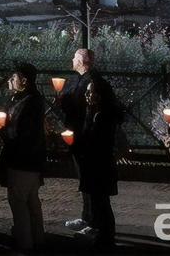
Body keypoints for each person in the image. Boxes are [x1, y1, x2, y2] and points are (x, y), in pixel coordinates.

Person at [0, 62, 47, 253]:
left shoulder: (24, 103)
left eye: (13, 77)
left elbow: (18, 133)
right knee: (32, 201)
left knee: (18, 201)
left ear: (24, 81)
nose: (10, 80)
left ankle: (24, 241)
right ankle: (37, 238)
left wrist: (1, 130)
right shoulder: (32, 99)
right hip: (33, 159)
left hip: (21, 160)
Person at [73, 75, 122, 252]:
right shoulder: (95, 113)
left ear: (99, 95)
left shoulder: (101, 116)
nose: (86, 96)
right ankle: (103, 237)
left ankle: (105, 239)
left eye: (90, 93)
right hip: (97, 165)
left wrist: (77, 143)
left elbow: (95, 141)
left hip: (98, 166)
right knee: (100, 203)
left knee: (101, 203)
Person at [56, 47, 98, 234]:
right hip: (77, 136)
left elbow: (82, 107)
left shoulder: (90, 82)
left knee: (89, 179)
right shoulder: (79, 80)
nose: (72, 60)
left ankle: (94, 222)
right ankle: (87, 217)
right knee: (84, 179)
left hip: (85, 138)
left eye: (74, 57)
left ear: (81, 61)